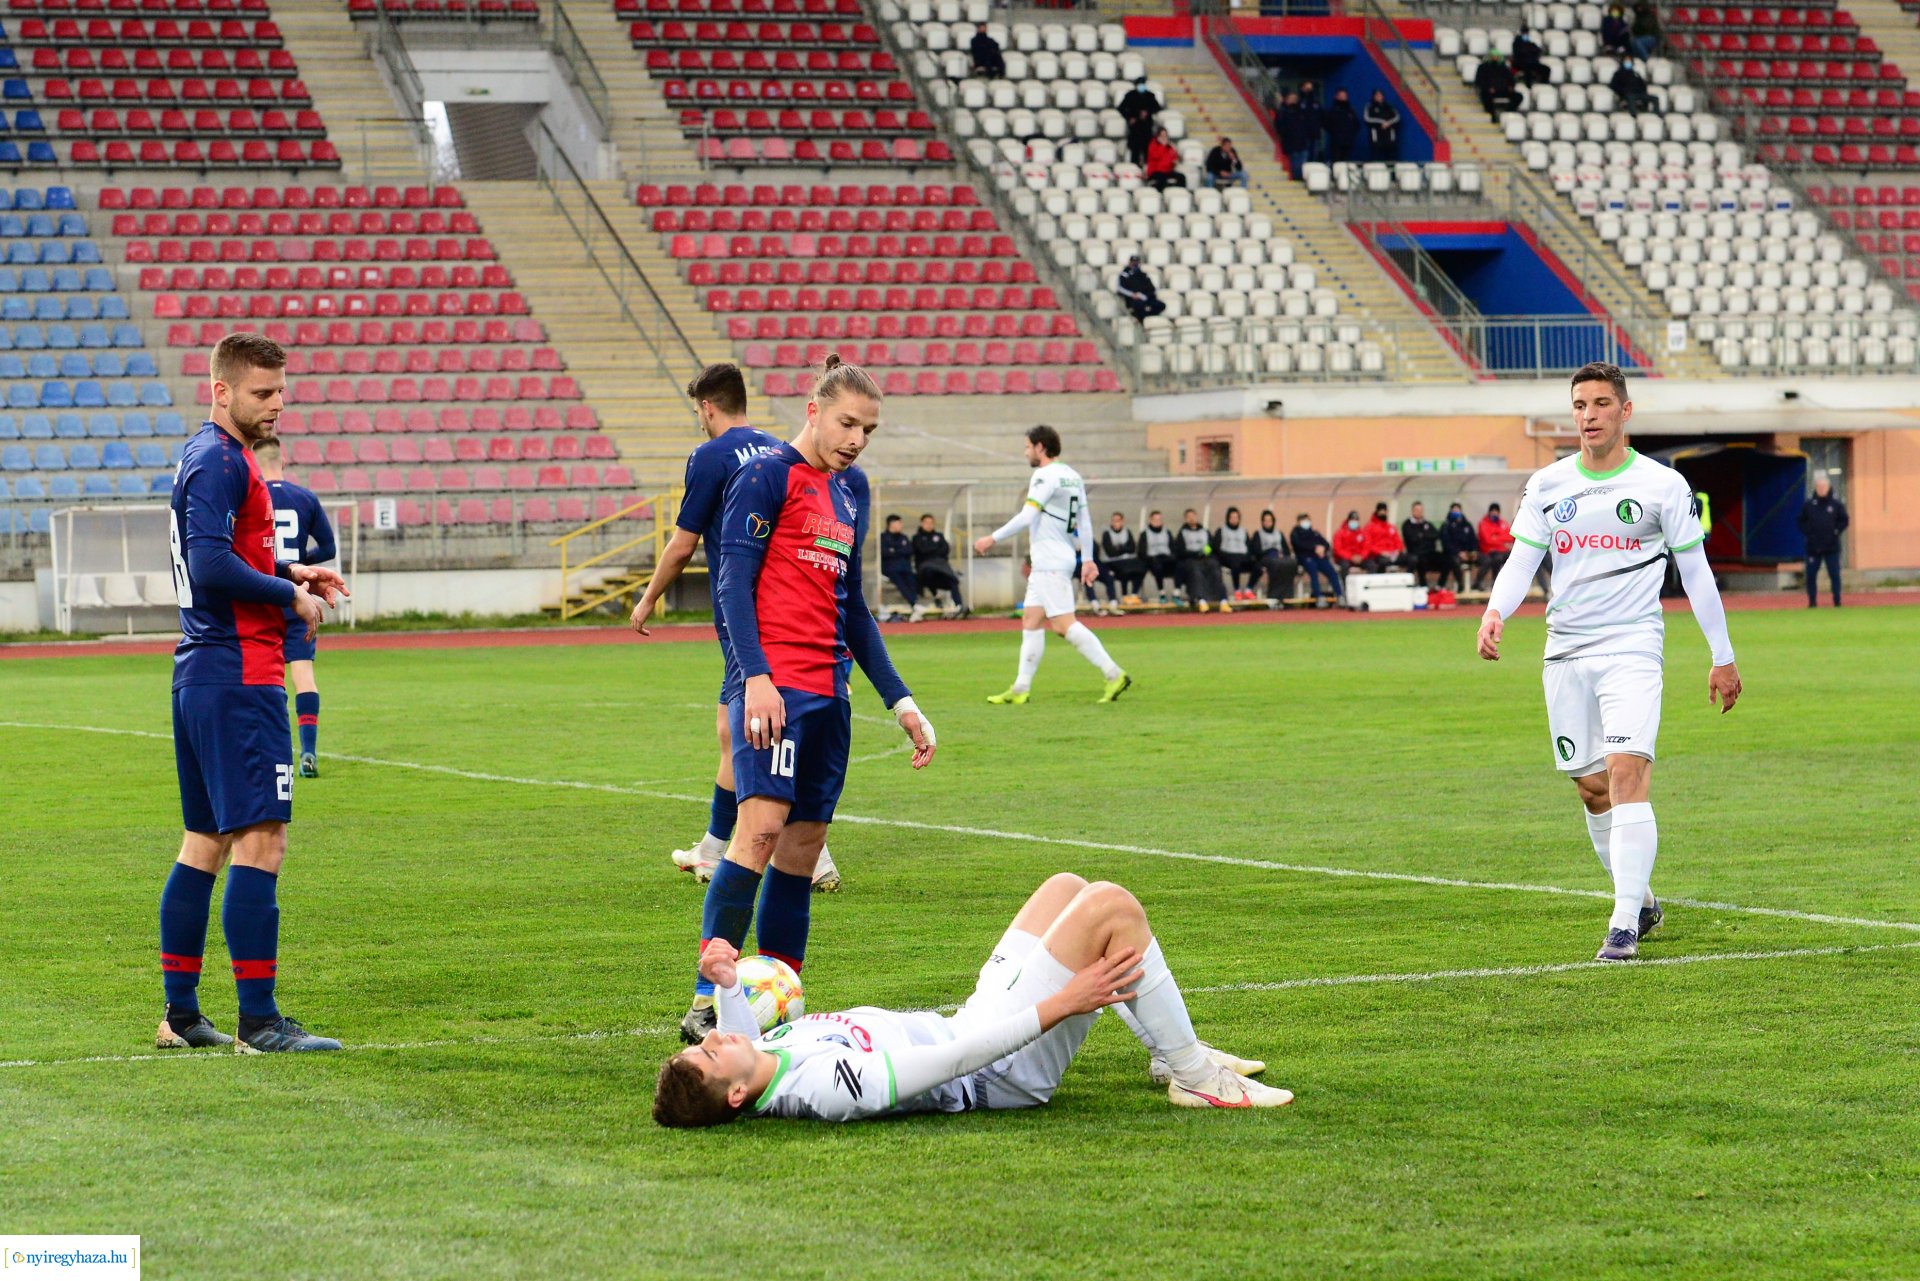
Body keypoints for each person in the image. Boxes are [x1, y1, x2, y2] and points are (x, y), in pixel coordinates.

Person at [682, 354, 939, 1044]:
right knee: (760, 832)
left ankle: (779, 1001)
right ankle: (708, 998)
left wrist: (901, 700)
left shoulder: (850, 491)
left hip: (831, 692)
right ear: (814, 410)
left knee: (802, 848)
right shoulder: (765, 475)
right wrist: (755, 677)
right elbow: (732, 584)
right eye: (847, 423)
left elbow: (853, 606)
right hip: (777, 688)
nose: (857, 439)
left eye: (869, 429)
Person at [652, 872, 1291, 1127]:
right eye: (710, 1054)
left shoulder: (760, 1062)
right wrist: (1065, 1002)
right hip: (998, 1069)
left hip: (972, 1022)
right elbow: (955, 1062)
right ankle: (1196, 1078)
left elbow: (745, 1041)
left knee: (1065, 887)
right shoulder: (826, 1089)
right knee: (1110, 908)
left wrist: (728, 984)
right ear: (736, 1095)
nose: (714, 1037)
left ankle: (1167, 1052)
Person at [1476, 361, 1741, 963]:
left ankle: (1622, 927)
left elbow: (1696, 572)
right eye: (1579, 405)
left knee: (1626, 774)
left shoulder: (1662, 485)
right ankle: (1641, 899)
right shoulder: (1548, 484)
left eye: (1600, 404)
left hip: (1632, 648)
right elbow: (1523, 560)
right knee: (1593, 789)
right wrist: (1495, 611)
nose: (1588, 416)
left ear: (1625, 411)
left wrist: (1722, 657)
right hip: (1565, 650)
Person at [158, 332, 348, 1055]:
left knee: (205, 841)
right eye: (262, 393)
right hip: (239, 672)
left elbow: (227, 554)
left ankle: (180, 1016)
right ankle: (260, 1023)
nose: (276, 405)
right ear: (222, 390)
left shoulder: (207, 455)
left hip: (203, 670)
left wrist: (292, 573)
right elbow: (210, 564)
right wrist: (286, 595)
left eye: (280, 391)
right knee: (263, 840)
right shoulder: (221, 461)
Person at [630, 365, 844, 891]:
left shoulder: (710, 455)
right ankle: (716, 847)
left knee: (755, 728)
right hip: (791, 608)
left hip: (744, 612)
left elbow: (683, 544)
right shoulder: (776, 448)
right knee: (736, 728)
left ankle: (802, 854)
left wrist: (649, 598)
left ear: (707, 407)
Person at [975, 425, 1131, 706]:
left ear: (1040, 447)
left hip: (1049, 560)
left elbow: (1027, 516)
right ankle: (1020, 687)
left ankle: (1114, 673)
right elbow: (1084, 522)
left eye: (1027, 446)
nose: (1025, 452)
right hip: (1057, 558)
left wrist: (991, 538)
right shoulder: (1072, 476)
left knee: (1062, 624)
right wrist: (1087, 559)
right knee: (1031, 619)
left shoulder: (1044, 475)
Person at [252, 434, 335, 780]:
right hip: (299, 598)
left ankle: (266, 755)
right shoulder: (305, 498)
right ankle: (308, 752)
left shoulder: (251, 496)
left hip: (263, 597)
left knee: (262, 681)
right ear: (282, 461)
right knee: (304, 677)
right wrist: (301, 565)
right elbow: (328, 547)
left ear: (254, 465)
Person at [1798, 470, 1848, 608]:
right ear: (1816, 487)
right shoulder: (1809, 504)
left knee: (1834, 574)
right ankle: (1812, 601)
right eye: (1819, 487)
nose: (1821, 489)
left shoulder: (1836, 504)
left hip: (1831, 546)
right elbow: (1800, 521)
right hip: (1813, 547)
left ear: (1828, 487)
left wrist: (1836, 531)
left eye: (1824, 487)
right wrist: (1809, 533)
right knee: (1811, 575)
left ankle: (1837, 600)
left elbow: (1844, 520)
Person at [911, 513, 968, 618]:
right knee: (929, 571)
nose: (929, 525)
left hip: (941, 569)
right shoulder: (916, 538)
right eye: (926, 523)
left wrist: (931, 552)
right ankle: (936, 596)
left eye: (931, 523)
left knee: (953, 580)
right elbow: (921, 551)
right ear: (922, 523)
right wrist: (934, 551)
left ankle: (959, 606)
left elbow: (945, 549)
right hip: (925, 574)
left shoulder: (939, 536)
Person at [1173, 508, 1230, 612]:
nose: (1191, 519)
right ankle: (1201, 601)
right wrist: (1194, 554)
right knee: (1196, 573)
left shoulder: (1205, 531)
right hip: (1191, 560)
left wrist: (1204, 552)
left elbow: (1211, 545)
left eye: (1193, 516)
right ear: (1185, 519)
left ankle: (1223, 601)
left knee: (1216, 570)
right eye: (1189, 517)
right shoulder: (1182, 533)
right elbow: (1180, 551)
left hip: (1206, 558)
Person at [1290, 512, 1340, 605]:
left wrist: (1323, 548)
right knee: (1313, 571)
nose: (1306, 522)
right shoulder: (1295, 534)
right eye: (1303, 520)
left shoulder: (1315, 533)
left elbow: (1326, 544)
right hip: (1305, 558)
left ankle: (1340, 595)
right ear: (1298, 522)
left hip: (1319, 557)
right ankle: (1318, 597)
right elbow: (1298, 545)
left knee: (1331, 571)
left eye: (1307, 520)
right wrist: (1314, 548)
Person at [1097, 511, 1144, 610]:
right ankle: (1124, 595)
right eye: (1114, 520)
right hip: (1111, 562)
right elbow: (1110, 552)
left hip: (1126, 560)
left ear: (1122, 521)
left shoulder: (1127, 532)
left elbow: (1132, 548)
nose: (1116, 523)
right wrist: (1124, 548)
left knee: (1141, 568)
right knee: (1124, 570)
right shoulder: (1107, 533)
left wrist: (1119, 549)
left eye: (1118, 521)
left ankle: (1134, 594)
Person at [879, 513, 921, 621]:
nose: (901, 525)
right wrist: (900, 551)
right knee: (900, 581)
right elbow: (885, 553)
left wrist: (894, 551)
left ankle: (915, 606)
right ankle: (915, 605)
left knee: (912, 580)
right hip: (890, 569)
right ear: (891, 524)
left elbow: (909, 551)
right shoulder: (883, 537)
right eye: (899, 523)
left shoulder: (903, 537)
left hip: (905, 568)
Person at [1251, 509, 1297, 602]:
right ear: (1262, 522)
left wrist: (1282, 554)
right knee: (1276, 563)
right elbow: (1256, 550)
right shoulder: (1258, 534)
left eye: (1270, 520)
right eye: (1266, 520)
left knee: (1291, 562)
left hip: (1280, 557)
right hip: (1266, 557)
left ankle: (1288, 595)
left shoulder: (1279, 533)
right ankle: (1273, 595)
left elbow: (1286, 549)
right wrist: (1271, 551)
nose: (1268, 523)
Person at [1400, 501, 1448, 590]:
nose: (1419, 512)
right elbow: (1412, 539)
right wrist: (1425, 536)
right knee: (1419, 560)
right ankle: (1423, 585)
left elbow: (1435, 535)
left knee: (1447, 559)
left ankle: (1440, 585)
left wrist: (1423, 536)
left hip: (1430, 552)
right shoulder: (1407, 524)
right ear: (1412, 511)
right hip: (1415, 553)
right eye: (1417, 510)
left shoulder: (1427, 523)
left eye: (1421, 510)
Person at [1211, 506, 1254, 597]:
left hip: (1242, 556)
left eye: (1236, 517)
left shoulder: (1243, 531)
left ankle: (1248, 589)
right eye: (1232, 517)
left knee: (1258, 566)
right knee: (1235, 562)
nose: (1234, 520)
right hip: (1227, 557)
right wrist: (1223, 555)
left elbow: (1249, 547)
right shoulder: (1221, 530)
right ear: (1228, 518)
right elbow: (1215, 546)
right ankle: (1237, 590)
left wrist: (1249, 556)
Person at [1118, 77, 1160, 167]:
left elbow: (1157, 107)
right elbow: (1121, 108)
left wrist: (1147, 112)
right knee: (1135, 152)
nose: (1142, 86)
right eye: (1140, 84)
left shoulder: (1150, 95)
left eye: (1143, 84)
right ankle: (1135, 168)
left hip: (1146, 128)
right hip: (1135, 128)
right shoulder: (1130, 95)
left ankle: (1146, 169)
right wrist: (1129, 118)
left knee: (1147, 151)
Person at [1139, 509, 1177, 603]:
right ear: (1150, 520)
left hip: (1166, 558)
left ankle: (1177, 593)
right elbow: (1141, 552)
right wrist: (1149, 559)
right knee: (1157, 567)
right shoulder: (1145, 534)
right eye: (1155, 519)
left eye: (1159, 519)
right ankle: (1162, 593)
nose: (1157, 522)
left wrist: (1172, 556)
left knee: (1180, 566)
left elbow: (1173, 548)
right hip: (1153, 559)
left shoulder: (1167, 532)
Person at [1440, 500, 1480, 592]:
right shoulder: (1446, 526)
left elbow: (1473, 540)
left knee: (1486, 560)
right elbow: (1446, 543)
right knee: (1454, 561)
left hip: (1469, 553)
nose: (1456, 512)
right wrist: (1458, 552)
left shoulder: (1467, 525)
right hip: (1454, 554)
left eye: (1457, 510)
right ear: (1450, 512)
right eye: (1454, 511)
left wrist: (1474, 551)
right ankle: (1460, 585)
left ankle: (1477, 584)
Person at [1115, 255, 1166, 321]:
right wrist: (1132, 294)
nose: (1135, 264)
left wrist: (1147, 295)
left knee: (1160, 305)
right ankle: (1141, 319)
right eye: (1133, 262)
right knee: (1139, 306)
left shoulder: (1142, 274)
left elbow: (1151, 287)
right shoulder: (1124, 275)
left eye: (1136, 262)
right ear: (1130, 263)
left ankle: (1146, 317)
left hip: (1145, 297)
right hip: (1133, 299)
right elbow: (1120, 288)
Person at [1279, 91, 1317, 179]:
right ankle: (1297, 180)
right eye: (1291, 98)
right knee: (1296, 167)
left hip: (1303, 144)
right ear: (1286, 100)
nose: (1293, 100)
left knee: (1304, 166)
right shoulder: (1283, 112)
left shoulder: (1301, 112)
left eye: (1295, 99)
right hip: (1291, 145)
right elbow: (1280, 128)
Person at [1476, 501, 1514, 588]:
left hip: (1501, 550)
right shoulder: (1483, 523)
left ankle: (1510, 583)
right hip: (1487, 551)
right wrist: (1502, 542)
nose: (1494, 513)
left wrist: (1496, 538)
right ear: (1489, 512)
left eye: (1496, 511)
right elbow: (1487, 540)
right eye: (1492, 511)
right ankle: (1487, 582)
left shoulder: (1503, 523)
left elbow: (1510, 537)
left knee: (1514, 557)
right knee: (1495, 559)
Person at [1474, 53, 1523, 120]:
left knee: (1518, 96)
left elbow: (1511, 79)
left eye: (1497, 56)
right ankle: (1492, 116)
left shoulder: (1504, 67)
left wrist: (1511, 86)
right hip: (1490, 91)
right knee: (1486, 96)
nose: (1495, 58)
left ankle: (1507, 113)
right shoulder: (1483, 67)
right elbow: (1479, 81)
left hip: (1504, 90)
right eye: (1494, 56)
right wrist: (1488, 88)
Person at [1361, 502, 1405, 572]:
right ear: (1377, 512)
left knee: (1412, 559)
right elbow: (1368, 545)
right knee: (1384, 562)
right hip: (1378, 555)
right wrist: (1381, 552)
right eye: (1381, 511)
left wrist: (1397, 551)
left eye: (1385, 511)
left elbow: (1399, 542)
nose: (1383, 513)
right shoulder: (1369, 527)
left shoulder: (1391, 527)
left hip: (1393, 554)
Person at [1323, 88, 1360, 166]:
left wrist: (1351, 135)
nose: (1343, 97)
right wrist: (1334, 133)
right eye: (1341, 95)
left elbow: (1356, 124)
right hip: (1336, 141)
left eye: (1344, 96)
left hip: (1348, 141)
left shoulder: (1350, 110)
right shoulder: (1332, 110)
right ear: (1336, 96)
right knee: (1336, 161)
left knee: (1345, 161)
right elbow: (1326, 123)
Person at [1364, 90, 1401, 163]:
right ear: (1374, 97)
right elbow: (1367, 119)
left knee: (1391, 159)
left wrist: (1388, 123)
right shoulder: (1370, 107)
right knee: (1376, 159)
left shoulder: (1389, 107)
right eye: (1377, 95)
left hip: (1389, 138)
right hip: (1376, 138)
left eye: (1380, 95)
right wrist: (1381, 123)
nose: (1379, 97)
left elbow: (1397, 117)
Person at [1144, 126, 1185, 191]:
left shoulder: (1169, 147)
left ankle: (1178, 193)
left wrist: (1175, 162)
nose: (1164, 137)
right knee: (1162, 178)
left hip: (1167, 171)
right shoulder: (1153, 145)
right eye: (1162, 135)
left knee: (1181, 177)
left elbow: (1174, 157)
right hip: (1155, 171)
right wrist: (1163, 146)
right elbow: (1156, 156)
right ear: (1158, 136)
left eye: (1165, 135)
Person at [1331, 509, 1368, 579]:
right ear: (1348, 521)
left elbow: (1366, 547)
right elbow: (1337, 549)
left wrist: (1361, 556)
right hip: (1344, 558)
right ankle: (1345, 584)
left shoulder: (1363, 533)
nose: (1354, 522)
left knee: (1372, 565)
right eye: (1352, 520)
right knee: (1345, 565)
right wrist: (1351, 557)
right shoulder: (1340, 533)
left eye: (1356, 520)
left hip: (1360, 558)